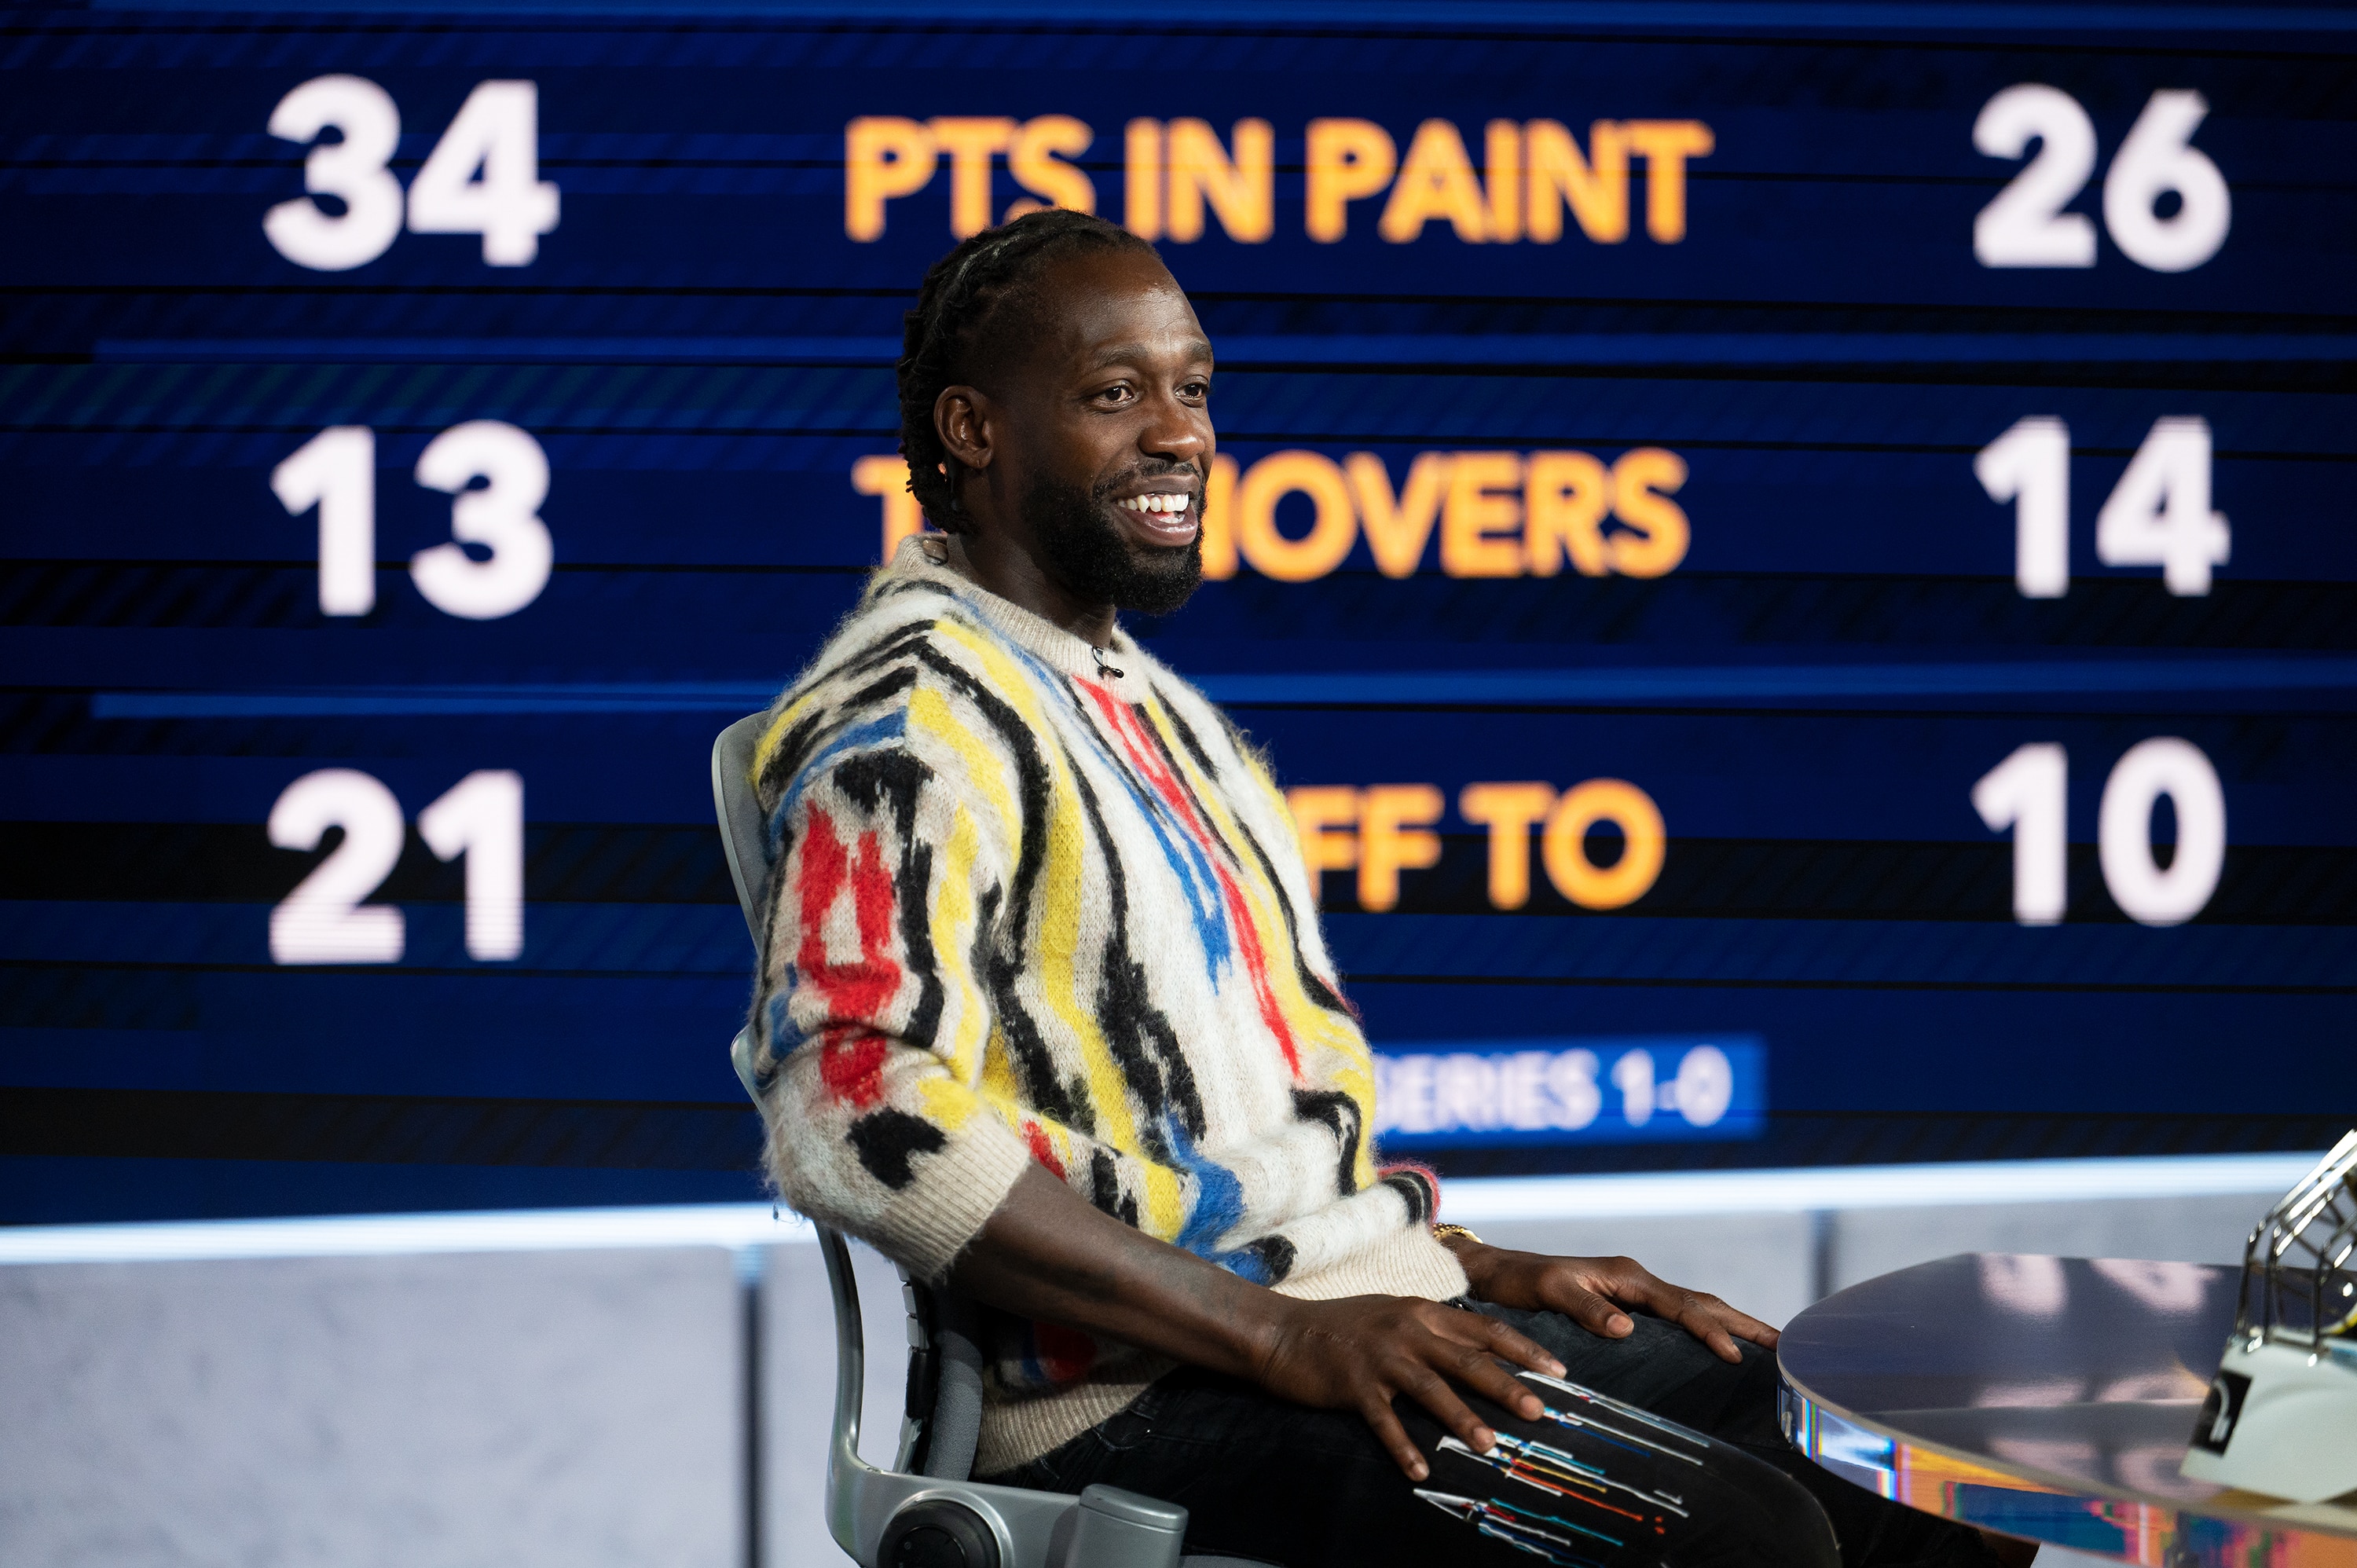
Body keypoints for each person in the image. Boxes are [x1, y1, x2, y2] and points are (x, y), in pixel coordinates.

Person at [746, 208, 2024, 1568]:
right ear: (972, 430)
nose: (1181, 436)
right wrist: (1280, 1326)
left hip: (1327, 1326)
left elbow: (1246, 1170)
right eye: (1115, 395)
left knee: (1932, 1485)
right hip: (1133, 1402)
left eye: (1192, 390)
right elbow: (852, 1105)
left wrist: (1460, 1264)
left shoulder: (1154, 716)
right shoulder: (909, 724)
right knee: (1739, 1544)